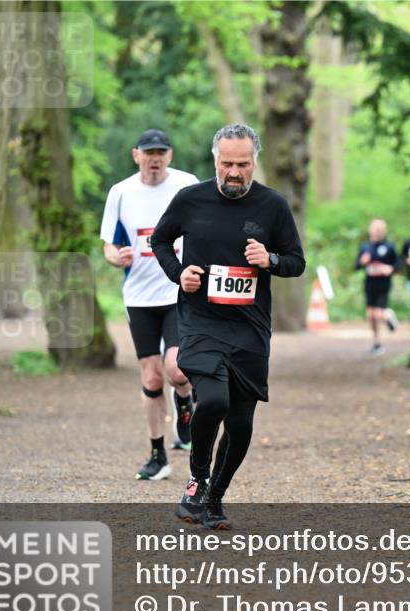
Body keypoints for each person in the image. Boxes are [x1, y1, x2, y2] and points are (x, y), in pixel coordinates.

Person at [151, 123, 305, 530]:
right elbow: (161, 242)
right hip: (201, 320)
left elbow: (295, 261)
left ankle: (214, 499)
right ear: (215, 160)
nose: (234, 172)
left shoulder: (273, 206)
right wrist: (179, 273)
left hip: (250, 326)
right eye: (226, 163)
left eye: (242, 164)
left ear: (255, 162)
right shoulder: (190, 199)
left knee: (240, 423)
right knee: (214, 401)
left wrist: (269, 260)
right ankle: (196, 482)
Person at [99, 129, 198, 482]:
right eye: (148, 153)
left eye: (161, 152)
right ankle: (158, 455)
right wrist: (116, 258)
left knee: (178, 370)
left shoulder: (187, 186)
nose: (154, 159)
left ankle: (184, 401)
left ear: (170, 156)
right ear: (135, 155)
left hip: (177, 293)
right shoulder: (121, 193)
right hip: (138, 297)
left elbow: (206, 228)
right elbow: (109, 245)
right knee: (152, 376)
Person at [355, 218, 399, 355]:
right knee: (370, 316)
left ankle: (388, 315)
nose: (377, 232)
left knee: (378, 313)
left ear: (384, 231)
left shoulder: (389, 247)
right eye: (375, 229)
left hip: (383, 285)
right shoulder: (365, 247)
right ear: (370, 230)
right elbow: (356, 266)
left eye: (379, 229)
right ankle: (377, 343)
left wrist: (390, 269)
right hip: (369, 284)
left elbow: (398, 264)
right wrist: (362, 262)